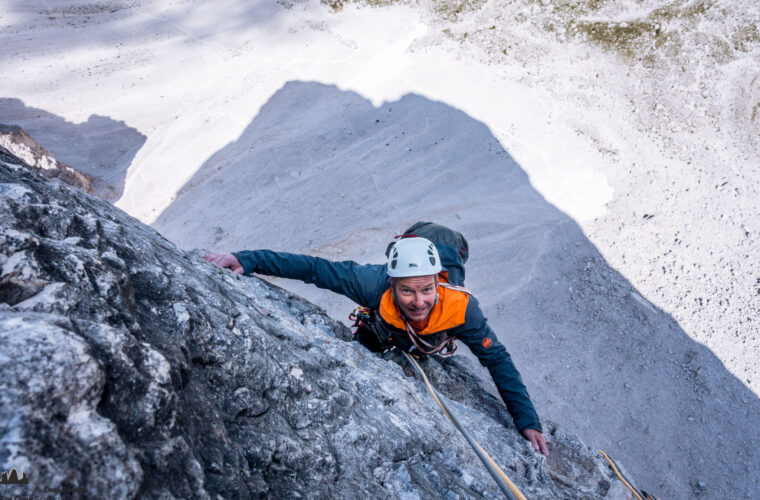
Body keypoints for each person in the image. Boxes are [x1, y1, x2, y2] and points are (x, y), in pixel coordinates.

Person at [205, 235, 549, 456]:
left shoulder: (462, 309)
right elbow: (314, 268)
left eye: (426, 289)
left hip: (447, 243)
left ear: (437, 284)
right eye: (407, 290)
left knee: (451, 259)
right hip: (411, 255)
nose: (418, 301)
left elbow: (496, 358)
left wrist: (526, 419)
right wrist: (248, 259)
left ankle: (431, 251)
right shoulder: (372, 284)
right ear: (392, 283)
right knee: (372, 335)